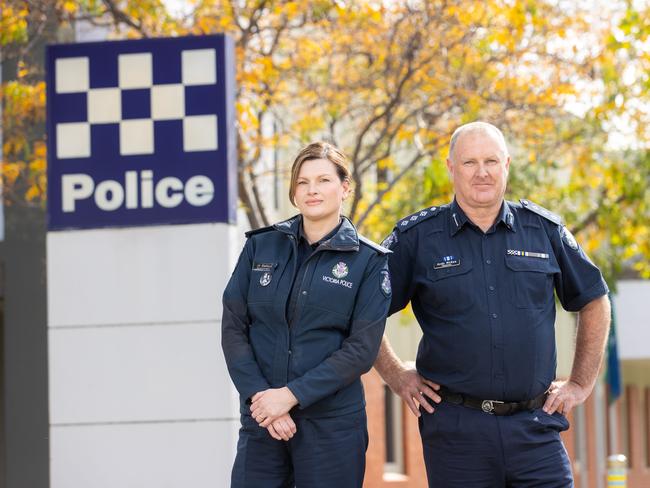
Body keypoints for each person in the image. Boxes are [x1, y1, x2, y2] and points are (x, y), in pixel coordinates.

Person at [374, 121, 611, 487]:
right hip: (456, 432)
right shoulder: (417, 238)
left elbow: (595, 299)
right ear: (451, 168)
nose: (481, 172)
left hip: (535, 428)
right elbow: (362, 309)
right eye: (469, 162)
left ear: (507, 165)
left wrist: (580, 383)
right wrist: (395, 374)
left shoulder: (543, 231)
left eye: (491, 161)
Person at [221, 141, 391, 487]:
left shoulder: (369, 262)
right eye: (302, 182)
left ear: (344, 188)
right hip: (262, 420)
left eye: (323, 180)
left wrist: (290, 396)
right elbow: (234, 327)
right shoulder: (260, 247)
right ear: (293, 193)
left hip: (332, 429)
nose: (312, 190)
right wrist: (262, 399)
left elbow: (360, 350)